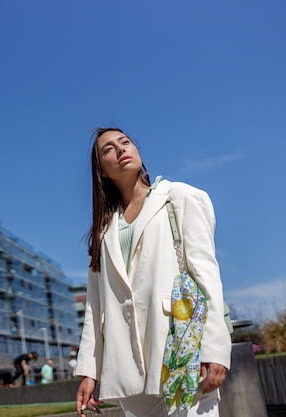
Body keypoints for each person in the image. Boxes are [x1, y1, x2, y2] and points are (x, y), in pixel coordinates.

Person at [75, 128, 232, 417]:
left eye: (125, 142)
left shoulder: (179, 197)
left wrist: (215, 349)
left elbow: (206, 276)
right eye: (108, 149)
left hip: (181, 348)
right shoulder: (103, 231)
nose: (120, 149)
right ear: (102, 172)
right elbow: (94, 307)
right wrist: (89, 370)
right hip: (127, 363)